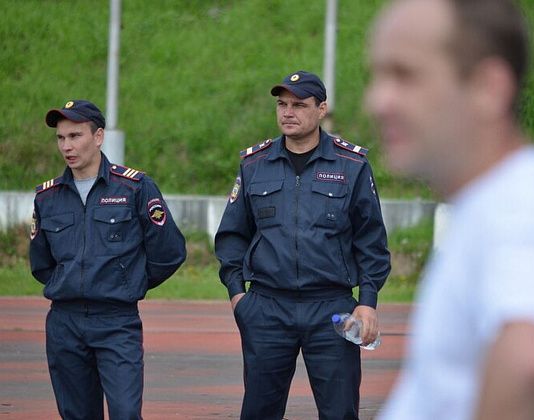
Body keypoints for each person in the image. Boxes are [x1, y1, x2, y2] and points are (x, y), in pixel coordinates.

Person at [366, 0, 534, 419]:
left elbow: (527, 357)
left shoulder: (523, 206)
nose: (377, 100)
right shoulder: (499, 201)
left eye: (405, 75)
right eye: (377, 76)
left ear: (489, 87)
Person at [215, 71, 391, 419]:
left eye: (299, 104)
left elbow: (371, 240)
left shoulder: (351, 165)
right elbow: (232, 235)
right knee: (258, 412)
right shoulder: (254, 165)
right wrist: (239, 298)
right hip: (267, 308)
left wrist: (367, 303)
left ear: (321, 109)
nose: (287, 112)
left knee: (340, 412)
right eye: (282, 104)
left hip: (330, 310)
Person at [29, 99, 187, 419]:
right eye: (61, 138)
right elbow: (41, 263)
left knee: (126, 413)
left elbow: (169, 251)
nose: (66, 146)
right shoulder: (47, 197)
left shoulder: (134, 187)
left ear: (98, 137)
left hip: (116, 321)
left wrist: (129, 282)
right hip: (65, 323)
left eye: (75, 136)